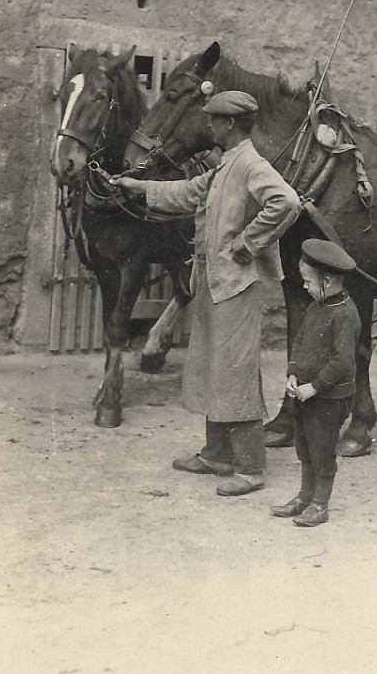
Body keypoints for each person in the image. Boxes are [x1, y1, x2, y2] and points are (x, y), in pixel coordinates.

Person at [112, 91, 301, 497]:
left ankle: (250, 468)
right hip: (213, 283)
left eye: (213, 120)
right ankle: (217, 454)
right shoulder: (224, 167)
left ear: (229, 125)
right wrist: (135, 186)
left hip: (236, 285)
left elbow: (286, 202)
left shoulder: (250, 164)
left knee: (235, 372)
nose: (208, 127)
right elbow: (186, 192)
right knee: (213, 367)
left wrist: (248, 242)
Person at [271, 238, 361, 528]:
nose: (304, 286)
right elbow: (299, 342)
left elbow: (343, 362)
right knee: (305, 448)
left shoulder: (345, 315)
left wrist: (315, 387)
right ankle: (303, 497)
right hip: (305, 394)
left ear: (329, 281)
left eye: (309, 281)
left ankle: (320, 504)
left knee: (322, 451)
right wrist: (293, 374)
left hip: (327, 398)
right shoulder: (315, 307)